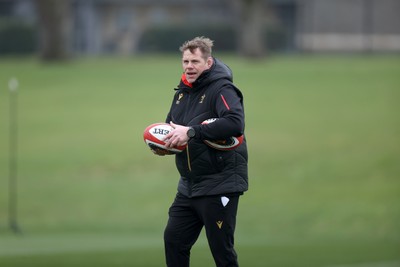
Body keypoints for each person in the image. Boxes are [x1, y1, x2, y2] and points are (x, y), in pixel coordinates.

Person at [157, 36, 248, 267]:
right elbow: (173, 127)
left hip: (219, 184)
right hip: (188, 186)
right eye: (185, 61)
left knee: (221, 252)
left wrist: (191, 132)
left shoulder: (222, 89)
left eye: (195, 61)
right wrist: (166, 145)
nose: (189, 66)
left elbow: (235, 123)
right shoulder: (181, 93)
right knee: (174, 241)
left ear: (208, 63)